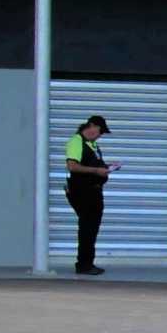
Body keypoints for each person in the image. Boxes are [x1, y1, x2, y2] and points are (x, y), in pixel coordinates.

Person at [65, 113, 112, 276]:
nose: (99, 135)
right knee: (87, 228)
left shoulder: (93, 146)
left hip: (93, 191)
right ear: (91, 126)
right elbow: (72, 166)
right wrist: (96, 170)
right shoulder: (76, 142)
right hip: (82, 192)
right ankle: (83, 264)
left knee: (91, 228)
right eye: (99, 131)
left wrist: (106, 169)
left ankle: (88, 262)